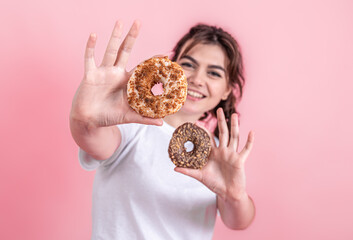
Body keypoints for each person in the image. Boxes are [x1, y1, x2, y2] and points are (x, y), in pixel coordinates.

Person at [70, 20, 255, 240]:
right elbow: (90, 135)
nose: (197, 79)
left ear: (227, 90)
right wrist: (83, 118)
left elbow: (238, 221)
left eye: (214, 73)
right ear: (171, 69)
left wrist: (234, 195)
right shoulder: (131, 126)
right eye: (188, 65)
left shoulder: (218, 153)